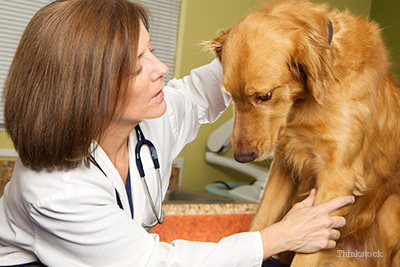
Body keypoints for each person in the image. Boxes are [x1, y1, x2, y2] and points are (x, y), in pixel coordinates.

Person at [0, 0, 354, 266]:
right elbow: (152, 263)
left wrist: (290, 34)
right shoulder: (57, 192)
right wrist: (277, 237)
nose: (161, 68)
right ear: (90, 89)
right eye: (139, 64)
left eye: (151, 50)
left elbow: (202, 91)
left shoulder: (147, 123)